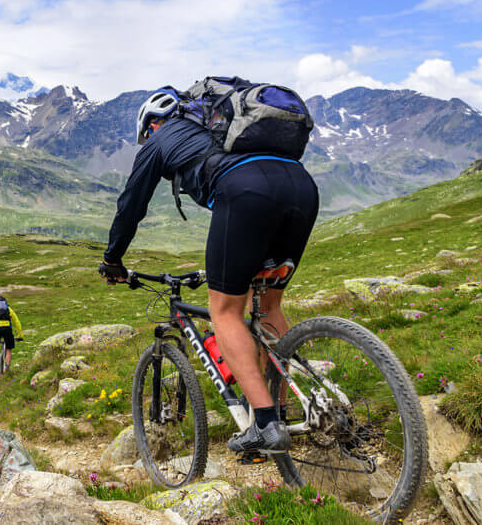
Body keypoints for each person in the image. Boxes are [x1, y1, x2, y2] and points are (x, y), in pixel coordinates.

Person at [98, 86, 318, 455]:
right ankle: (282, 410)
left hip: (246, 192)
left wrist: (113, 260)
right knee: (269, 306)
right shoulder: (225, 128)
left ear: (152, 123)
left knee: (226, 311)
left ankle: (265, 424)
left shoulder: (161, 138)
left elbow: (131, 205)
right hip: (302, 187)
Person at [0, 296, 23, 372]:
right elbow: (17, 322)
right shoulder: (9, 309)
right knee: (9, 349)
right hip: (7, 329)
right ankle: (7, 367)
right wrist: (20, 335)